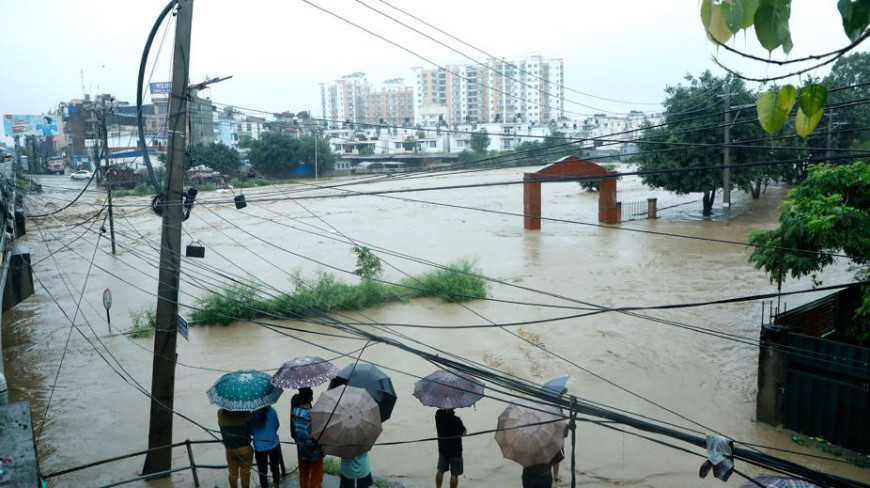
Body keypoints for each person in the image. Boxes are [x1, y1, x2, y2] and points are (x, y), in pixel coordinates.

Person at [292, 387, 323, 488]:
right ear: (311, 399)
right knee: (316, 476)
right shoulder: (313, 414)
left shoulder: (294, 412)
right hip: (314, 450)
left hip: (301, 448)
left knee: (303, 474)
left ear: (299, 399)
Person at [217, 408, 254, 488]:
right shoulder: (245, 412)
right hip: (245, 447)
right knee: (245, 472)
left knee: (232, 474)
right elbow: (252, 427)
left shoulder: (220, 413)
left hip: (230, 449)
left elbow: (220, 425)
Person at [249, 405, 283, 487]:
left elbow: (251, 431)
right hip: (274, 443)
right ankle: (276, 485)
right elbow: (277, 425)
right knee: (275, 467)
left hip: (259, 447)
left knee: (262, 470)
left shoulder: (251, 415)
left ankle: (264, 486)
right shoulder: (272, 411)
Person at [435, 408, 466, 488]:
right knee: (454, 474)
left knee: (440, 471)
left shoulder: (438, 415)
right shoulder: (456, 420)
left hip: (443, 450)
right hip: (455, 452)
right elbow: (463, 432)